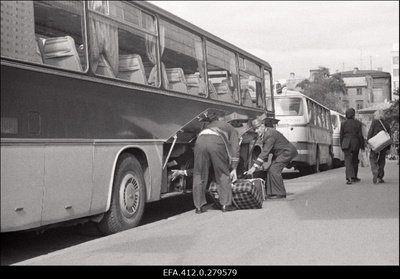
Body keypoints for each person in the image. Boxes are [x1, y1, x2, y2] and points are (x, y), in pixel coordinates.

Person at [192, 115, 240, 213]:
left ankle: (198, 207)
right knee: (222, 172)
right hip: (216, 142)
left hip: (200, 141)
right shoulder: (231, 128)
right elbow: (235, 149)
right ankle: (226, 205)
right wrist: (234, 168)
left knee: (199, 173)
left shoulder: (209, 125)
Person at [246, 118, 298, 199]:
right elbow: (265, 152)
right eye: (254, 129)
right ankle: (271, 193)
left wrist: (254, 167)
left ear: (262, 126)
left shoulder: (270, 134)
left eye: (257, 128)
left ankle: (280, 193)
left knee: (274, 170)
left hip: (286, 152)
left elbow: (265, 152)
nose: (256, 131)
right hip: (281, 153)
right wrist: (262, 165)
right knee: (270, 169)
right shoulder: (266, 133)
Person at [340, 108, 365, 185]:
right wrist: (362, 145)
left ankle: (349, 177)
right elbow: (360, 135)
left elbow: (341, 135)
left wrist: (342, 144)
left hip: (346, 142)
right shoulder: (358, 123)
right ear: (354, 115)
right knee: (355, 160)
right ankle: (354, 176)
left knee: (347, 160)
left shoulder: (343, 123)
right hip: (355, 143)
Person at [367, 109, 391, 184]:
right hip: (383, 145)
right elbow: (389, 136)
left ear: (376, 115)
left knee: (372, 158)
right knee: (382, 160)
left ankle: (375, 171)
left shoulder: (374, 122)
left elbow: (370, 133)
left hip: (375, 144)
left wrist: (368, 142)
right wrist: (388, 148)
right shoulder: (386, 124)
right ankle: (380, 177)